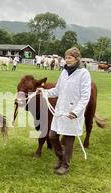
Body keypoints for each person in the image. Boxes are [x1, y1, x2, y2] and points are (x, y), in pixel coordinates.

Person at [37, 47, 91, 175]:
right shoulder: (64, 72)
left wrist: (76, 112)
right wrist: (44, 92)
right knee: (52, 136)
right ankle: (60, 158)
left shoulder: (84, 73)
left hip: (72, 112)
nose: (67, 60)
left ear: (77, 58)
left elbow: (85, 96)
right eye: (66, 57)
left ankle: (65, 165)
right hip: (60, 111)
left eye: (70, 58)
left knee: (68, 140)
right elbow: (57, 90)